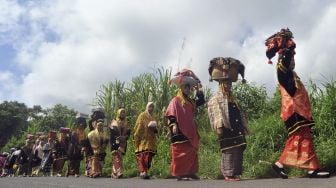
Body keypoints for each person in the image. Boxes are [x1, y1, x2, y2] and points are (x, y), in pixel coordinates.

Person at [265, 28, 330, 178]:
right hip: (294, 110)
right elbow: (288, 84)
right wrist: (285, 51)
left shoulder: (291, 74)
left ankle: (295, 165)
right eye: (291, 58)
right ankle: (310, 168)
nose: (293, 60)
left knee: (302, 137)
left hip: (299, 110)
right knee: (301, 137)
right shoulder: (283, 70)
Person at [207, 57, 250, 181]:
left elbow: (240, 113)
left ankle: (235, 172)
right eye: (226, 83)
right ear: (221, 84)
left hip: (236, 127)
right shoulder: (216, 98)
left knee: (238, 149)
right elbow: (215, 111)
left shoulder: (233, 98)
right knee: (229, 150)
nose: (228, 85)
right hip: (226, 127)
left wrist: (244, 126)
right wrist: (219, 125)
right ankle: (227, 173)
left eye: (230, 83)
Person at [165, 69, 205, 180]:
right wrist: (173, 125)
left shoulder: (191, 101)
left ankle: (190, 172)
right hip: (179, 130)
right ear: (181, 88)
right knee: (180, 151)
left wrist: (199, 90)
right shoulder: (175, 100)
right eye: (185, 87)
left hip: (190, 130)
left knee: (191, 151)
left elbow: (201, 101)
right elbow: (171, 113)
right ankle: (181, 174)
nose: (187, 89)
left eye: (189, 88)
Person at [134, 102, 158, 179]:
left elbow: (156, 130)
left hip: (151, 140)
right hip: (142, 139)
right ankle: (142, 171)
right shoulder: (142, 115)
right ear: (147, 107)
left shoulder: (153, 117)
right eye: (150, 107)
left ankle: (145, 171)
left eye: (152, 107)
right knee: (142, 156)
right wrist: (137, 137)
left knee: (149, 156)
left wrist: (154, 128)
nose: (151, 109)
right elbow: (138, 126)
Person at [109, 108, 131, 179]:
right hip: (116, 141)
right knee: (116, 156)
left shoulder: (126, 122)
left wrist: (125, 137)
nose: (122, 114)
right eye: (121, 112)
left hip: (123, 142)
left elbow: (128, 133)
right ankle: (119, 172)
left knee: (119, 157)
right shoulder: (114, 122)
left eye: (124, 113)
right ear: (118, 113)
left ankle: (114, 173)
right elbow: (112, 133)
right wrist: (117, 138)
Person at [84, 108, 105, 176]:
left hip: (99, 137)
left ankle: (98, 171)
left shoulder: (101, 120)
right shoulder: (92, 121)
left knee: (99, 156)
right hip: (92, 138)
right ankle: (91, 171)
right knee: (91, 156)